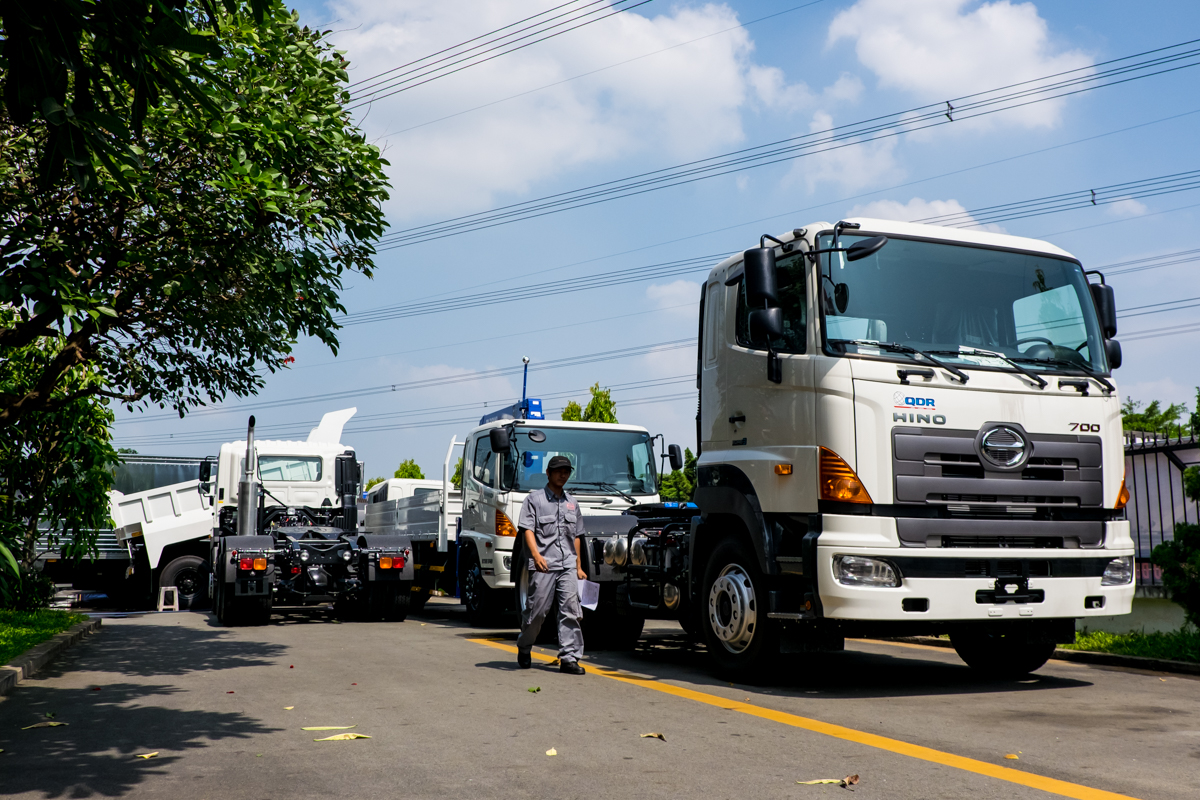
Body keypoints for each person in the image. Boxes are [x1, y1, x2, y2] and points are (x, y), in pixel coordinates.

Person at [516, 454, 587, 674]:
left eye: (566, 472)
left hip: (567, 564)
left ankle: (569, 658)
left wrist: (578, 566)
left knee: (570, 611)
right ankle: (524, 645)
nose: (563, 475)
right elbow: (527, 530)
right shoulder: (534, 500)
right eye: (558, 471)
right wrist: (535, 555)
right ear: (548, 473)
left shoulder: (572, 503)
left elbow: (576, 536)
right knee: (537, 612)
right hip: (544, 564)